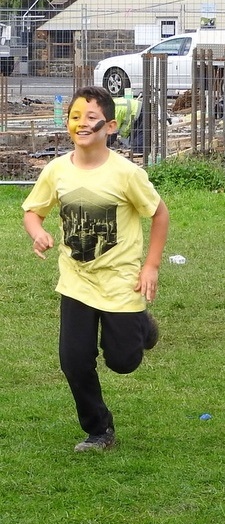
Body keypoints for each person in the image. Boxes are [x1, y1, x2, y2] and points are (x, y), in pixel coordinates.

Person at [22, 86, 170, 451]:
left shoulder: (126, 174)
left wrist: (150, 266)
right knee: (73, 361)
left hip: (121, 281)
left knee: (122, 362)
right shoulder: (56, 170)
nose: (82, 124)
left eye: (91, 118)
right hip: (76, 280)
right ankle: (99, 430)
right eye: (75, 117)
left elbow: (160, 213)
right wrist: (38, 231)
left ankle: (142, 327)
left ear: (111, 126)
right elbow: (32, 211)